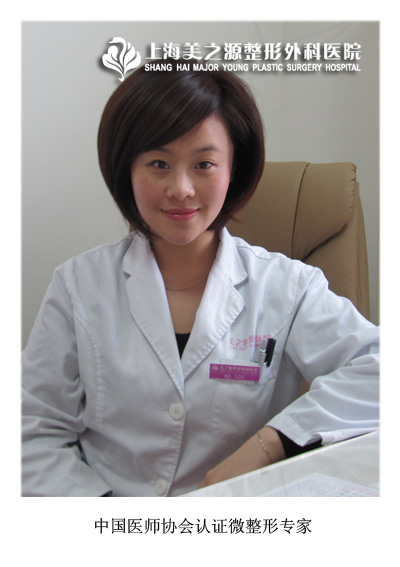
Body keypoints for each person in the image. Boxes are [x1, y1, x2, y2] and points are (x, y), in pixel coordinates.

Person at [22, 59, 379, 497]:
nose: (181, 189)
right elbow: (31, 430)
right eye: (158, 163)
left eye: (204, 164)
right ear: (126, 170)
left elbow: (380, 369)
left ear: (234, 169)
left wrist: (273, 443)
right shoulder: (77, 286)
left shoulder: (288, 287)